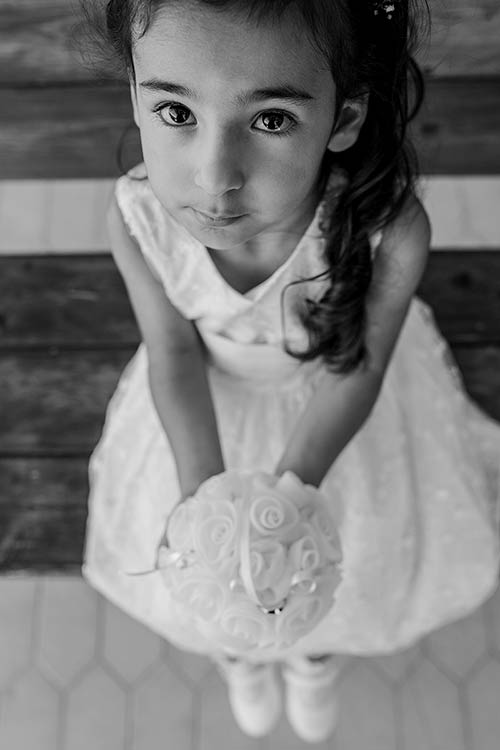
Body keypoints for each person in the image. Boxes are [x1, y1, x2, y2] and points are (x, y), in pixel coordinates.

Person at [80, 0, 500, 742]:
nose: (215, 177)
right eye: (176, 111)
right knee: (219, 580)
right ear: (136, 95)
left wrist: (291, 496)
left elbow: (363, 363)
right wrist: (203, 505)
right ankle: (240, 654)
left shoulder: (385, 230)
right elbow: (174, 351)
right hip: (202, 412)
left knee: (347, 559)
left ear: (343, 118)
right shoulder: (136, 216)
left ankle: (316, 655)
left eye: (271, 120)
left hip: (334, 418)